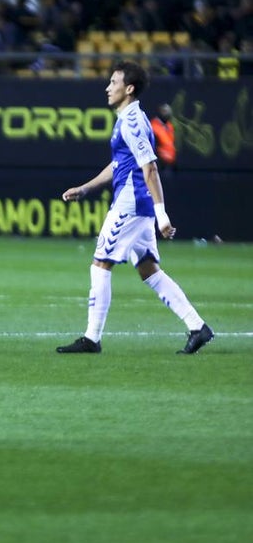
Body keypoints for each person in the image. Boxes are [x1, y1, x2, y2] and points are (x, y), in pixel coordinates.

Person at [57, 61, 214, 355]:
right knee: (149, 270)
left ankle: (91, 338)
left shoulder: (132, 122)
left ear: (128, 89)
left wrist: (162, 214)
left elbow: (150, 168)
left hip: (130, 205)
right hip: (134, 203)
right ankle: (198, 327)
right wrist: (86, 187)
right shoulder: (127, 119)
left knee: (100, 263)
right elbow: (119, 165)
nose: (108, 87)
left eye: (113, 82)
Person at [150, 102, 177, 169]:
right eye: (164, 111)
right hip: (159, 163)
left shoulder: (169, 126)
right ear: (159, 112)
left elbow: (171, 143)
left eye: (168, 111)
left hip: (170, 162)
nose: (167, 113)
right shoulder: (153, 125)